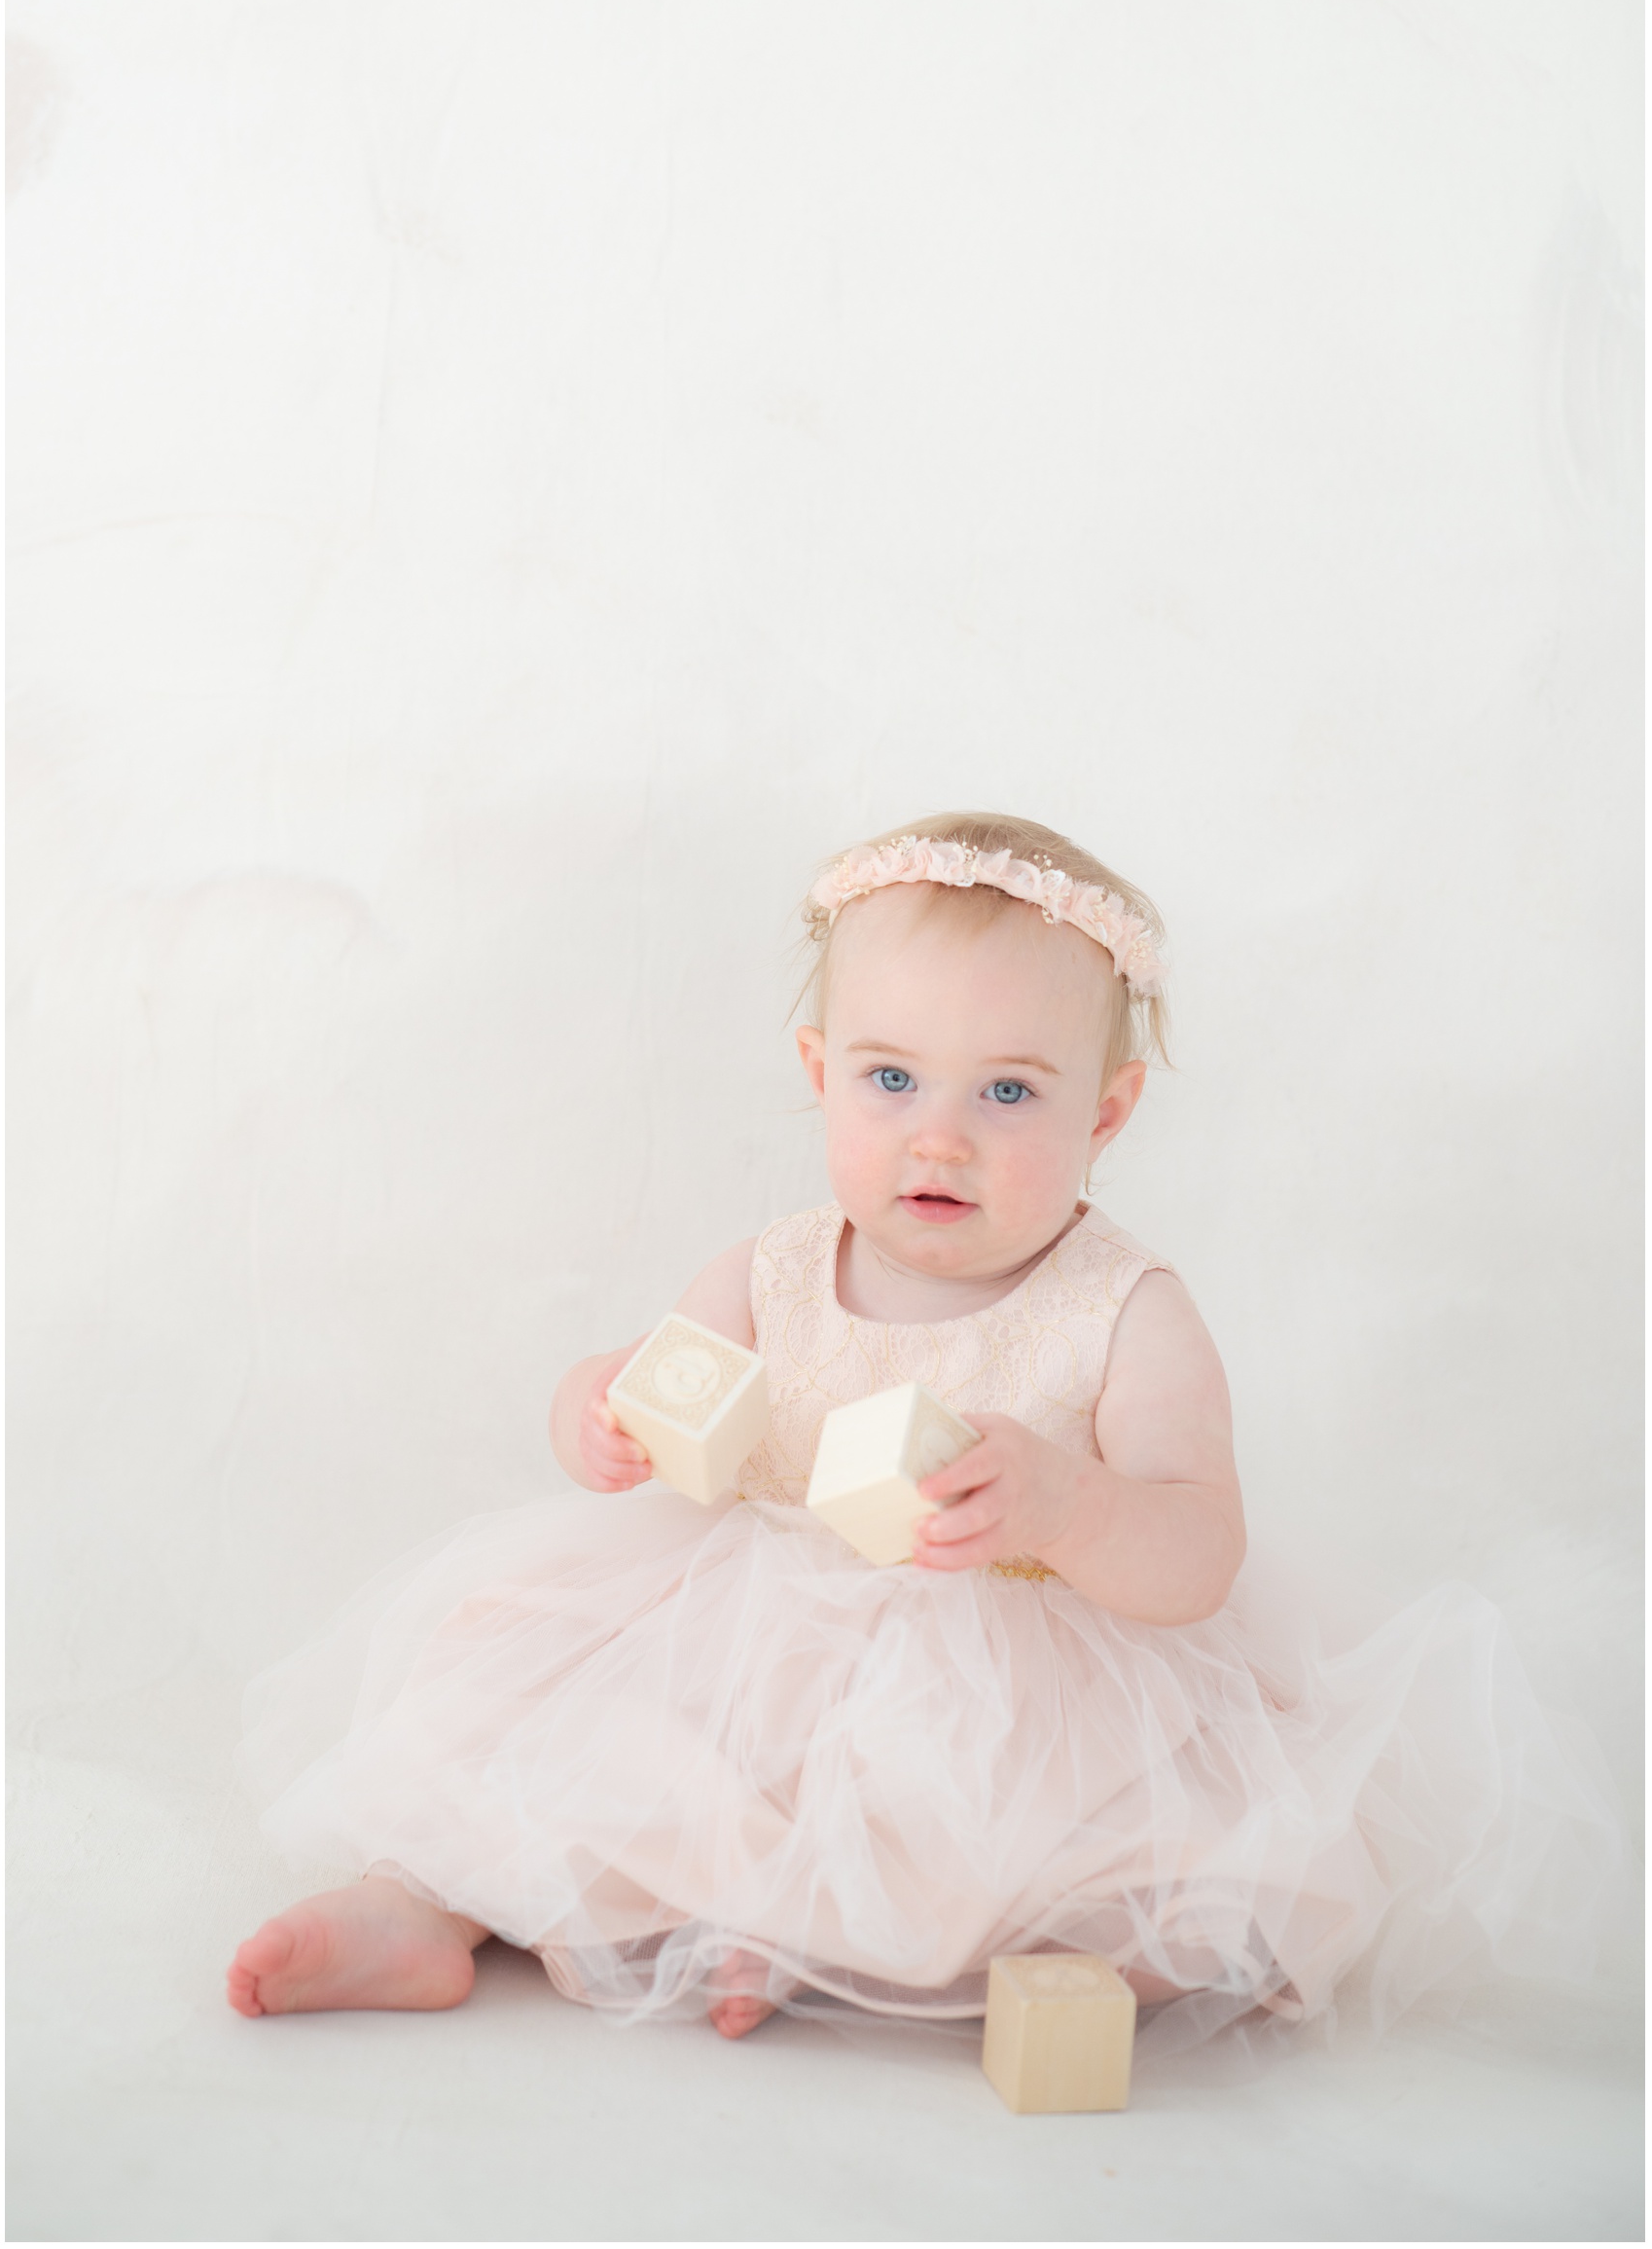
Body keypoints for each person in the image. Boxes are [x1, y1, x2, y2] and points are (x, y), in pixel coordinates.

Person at [228, 812, 1625, 2055]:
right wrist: (596, 1409)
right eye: (892, 1081)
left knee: (1105, 1874)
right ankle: (422, 1905)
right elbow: (662, 1390)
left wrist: (1068, 1508)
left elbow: (1199, 1551)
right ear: (820, 1069)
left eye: (1008, 1092)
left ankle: (825, 1948)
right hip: (746, 1633)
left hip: (1017, 1675)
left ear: (1109, 1112)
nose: (938, 1140)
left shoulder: (1124, 1312)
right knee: (524, 1687)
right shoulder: (773, 1268)